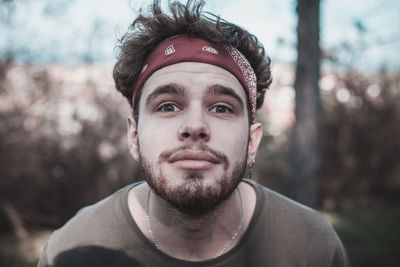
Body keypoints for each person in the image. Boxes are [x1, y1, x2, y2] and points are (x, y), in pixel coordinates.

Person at [38, 0, 350, 266]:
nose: (195, 126)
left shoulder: (313, 247)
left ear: (252, 141)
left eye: (222, 108)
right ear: (134, 136)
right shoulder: (70, 252)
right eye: (168, 106)